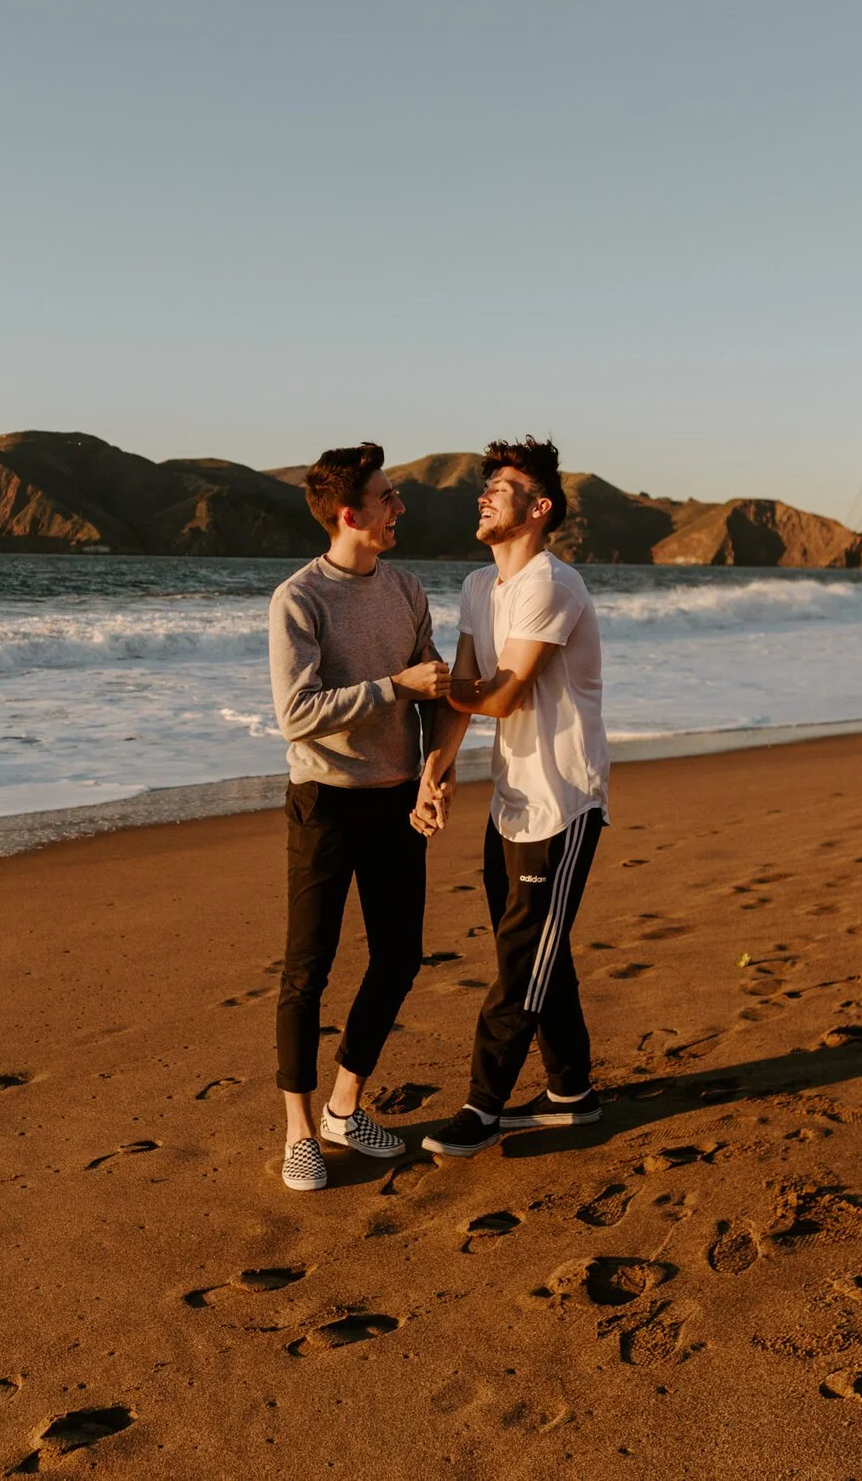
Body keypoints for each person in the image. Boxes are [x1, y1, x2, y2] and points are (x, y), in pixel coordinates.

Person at [411, 437, 610, 1159]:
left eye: (503, 484)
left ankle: (482, 1105)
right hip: (512, 801)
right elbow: (465, 698)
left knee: (522, 957)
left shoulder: (551, 584)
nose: (485, 493)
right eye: (486, 483)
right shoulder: (477, 587)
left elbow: (500, 693)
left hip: (563, 801)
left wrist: (425, 681)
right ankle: (570, 1092)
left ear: (539, 508)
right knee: (531, 948)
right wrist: (433, 771)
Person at [267, 442, 450, 1193]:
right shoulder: (298, 599)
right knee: (308, 969)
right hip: (326, 804)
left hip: (398, 795)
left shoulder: (406, 588)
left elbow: (434, 686)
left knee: (401, 956)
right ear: (350, 514)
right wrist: (393, 687)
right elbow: (295, 714)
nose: (398, 507)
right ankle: (299, 1131)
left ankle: (346, 1103)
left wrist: (437, 773)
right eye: (388, 497)